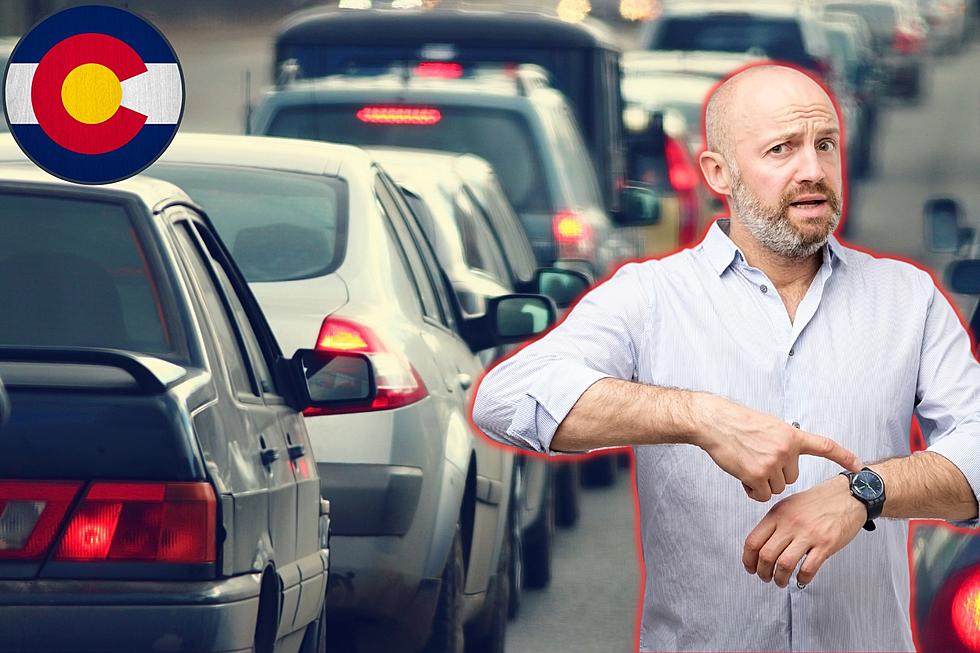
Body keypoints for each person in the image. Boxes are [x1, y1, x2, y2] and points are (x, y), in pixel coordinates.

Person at [471, 64, 980, 652]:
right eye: (781, 149)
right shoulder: (651, 296)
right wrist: (701, 418)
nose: (812, 170)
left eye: (825, 145)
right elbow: (506, 397)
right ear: (719, 172)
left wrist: (863, 493)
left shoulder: (906, 296)